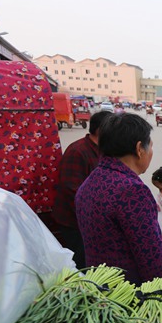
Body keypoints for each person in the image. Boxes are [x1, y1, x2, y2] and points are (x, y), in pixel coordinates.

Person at [75, 113, 162, 285]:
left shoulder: (89, 182)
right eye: (150, 146)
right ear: (139, 149)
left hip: (101, 288)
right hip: (131, 295)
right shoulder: (132, 191)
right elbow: (151, 259)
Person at [52, 110, 115, 268]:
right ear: (101, 130)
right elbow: (72, 192)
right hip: (75, 224)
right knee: (83, 267)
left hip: (92, 223)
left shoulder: (104, 151)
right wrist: (96, 220)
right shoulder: (78, 151)